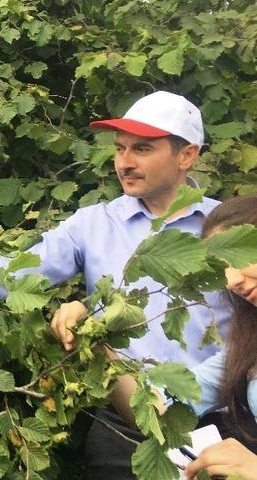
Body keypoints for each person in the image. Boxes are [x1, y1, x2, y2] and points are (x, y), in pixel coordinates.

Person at [0, 91, 230, 479]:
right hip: (122, 429)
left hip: (217, 428)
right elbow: (12, 275)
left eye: (142, 149)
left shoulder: (227, 227)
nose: (124, 163)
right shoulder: (92, 224)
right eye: (120, 149)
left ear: (186, 156)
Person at [67, 195, 257, 480]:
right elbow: (154, 409)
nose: (230, 281)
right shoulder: (245, 353)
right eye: (220, 269)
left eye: (236, 259)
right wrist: (96, 339)